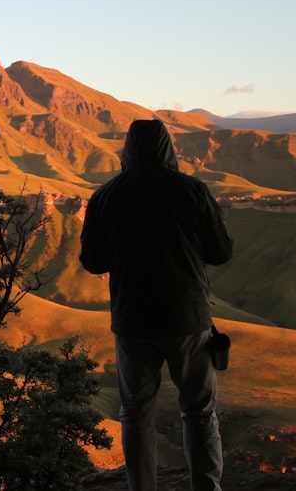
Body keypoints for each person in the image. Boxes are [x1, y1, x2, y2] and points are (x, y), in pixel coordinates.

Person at [80, 119, 234, 491]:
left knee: (135, 415)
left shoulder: (106, 196)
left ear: (127, 150)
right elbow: (221, 250)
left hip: (133, 322)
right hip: (187, 318)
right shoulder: (192, 191)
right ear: (168, 148)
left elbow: (93, 260)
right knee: (199, 413)